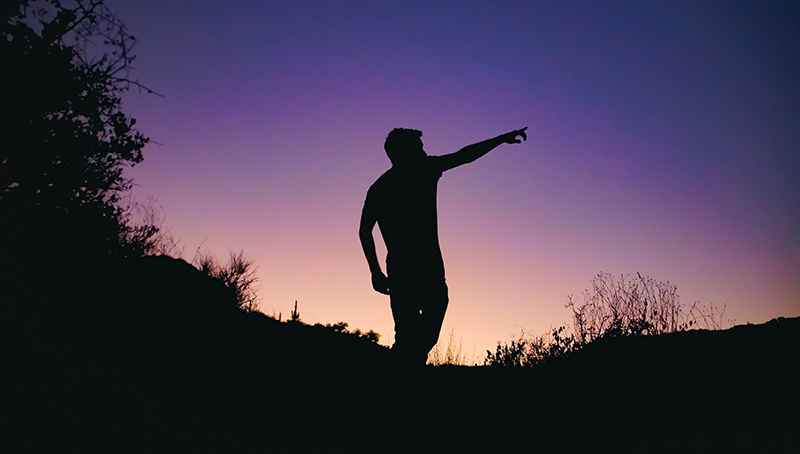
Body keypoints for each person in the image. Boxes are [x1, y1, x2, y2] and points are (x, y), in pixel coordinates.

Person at [359, 127, 528, 366]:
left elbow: (365, 231)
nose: (424, 151)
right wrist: (375, 272)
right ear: (403, 152)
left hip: (415, 271)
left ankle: (399, 364)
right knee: (412, 338)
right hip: (412, 272)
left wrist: (376, 272)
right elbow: (464, 155)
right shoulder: (415, 174)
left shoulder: (385, 185)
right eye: (418, 147)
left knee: (413, 337)